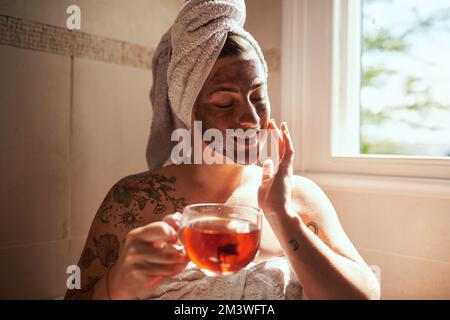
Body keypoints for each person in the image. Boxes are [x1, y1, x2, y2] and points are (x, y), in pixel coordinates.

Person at [64, 0, 380, 300]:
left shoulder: (297, 197)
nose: (252, 119)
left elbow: (365, 295)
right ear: (187, 110)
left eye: (258, 98)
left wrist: (281, 215)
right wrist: (117, 285)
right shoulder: (131, 200)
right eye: (225, 102)